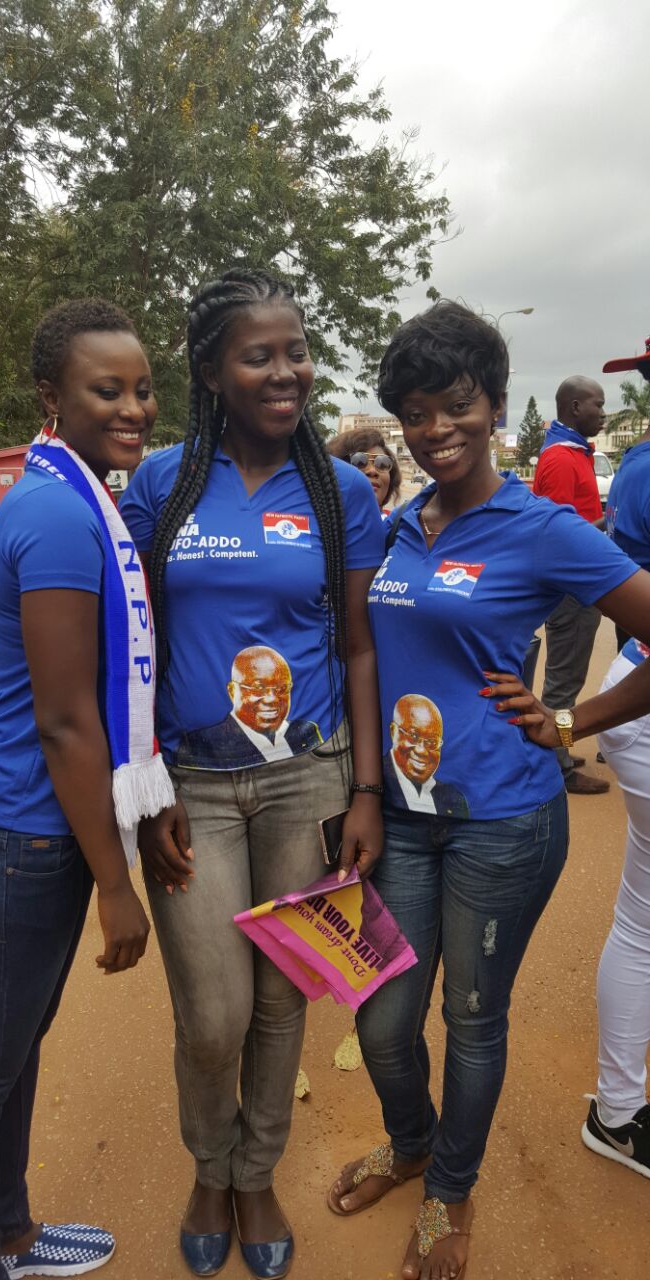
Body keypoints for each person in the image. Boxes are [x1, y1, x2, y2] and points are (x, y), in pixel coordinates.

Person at [326, 301, 650, 1280]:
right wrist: (365, 792)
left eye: (457, 404)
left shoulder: (544, 527)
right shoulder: (395, 529)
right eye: (416, 412)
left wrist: (572, 721)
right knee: (382, 1016)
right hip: (403, 818)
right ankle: (413, 1137)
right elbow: (360, 656)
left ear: (496, 405)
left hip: (503, 822)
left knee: (471, 1013)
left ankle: (448, 1190)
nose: (436, 430)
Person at [121, 268, 385, 1280]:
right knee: (214, 1011)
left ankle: (254, 1170)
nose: (287, 372)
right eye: (259, 355)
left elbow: (359, 645)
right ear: (212, 372)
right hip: (192, 783)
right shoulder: (164, 484)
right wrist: (146, 788)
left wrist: (363, 789)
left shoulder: (340, 489)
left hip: (306, 781)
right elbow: (133, 642)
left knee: (285, 998)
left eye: (297, 352)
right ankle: (209, 1163)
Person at [0, 299, 175, 1280]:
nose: (132, 407)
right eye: (104, 388)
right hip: (14, 832)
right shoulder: (59, 515)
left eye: (143, 387)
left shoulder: (77, 496)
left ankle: (14, 1233)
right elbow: (68, 719)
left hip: (24, 825)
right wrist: (117, 881)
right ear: (51, 394)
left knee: (13, 1043)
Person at [581, 336, 650, 1176]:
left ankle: (620, 1107)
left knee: (641, 919)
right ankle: (620, 1111)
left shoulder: (634, 464)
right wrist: (573, 722)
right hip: (636, 694)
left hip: (628, 684)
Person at [533, 377, 609, 793]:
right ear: (575, 406)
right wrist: (609, 524)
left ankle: (559, 751)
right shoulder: (561, 458)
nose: (603, 412)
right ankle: (557, 767)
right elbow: (559, 535)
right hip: (572, 588)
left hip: (582, 585)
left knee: (568, 679)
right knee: (563, 683)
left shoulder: (571, 451)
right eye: (598, 404)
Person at [176, 644, 321, 766]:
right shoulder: (200, 745)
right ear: (233, 692)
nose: (271, 699)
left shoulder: (304, 732)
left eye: (282, 689)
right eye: (258, 688)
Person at [382, 694, 469, 817]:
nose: (421, 750)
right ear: (393, 732)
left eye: (432, 742)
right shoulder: (375, 781)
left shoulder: (454, 799)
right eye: (413, 736)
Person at [326, 426, 402, 514]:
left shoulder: (398, 525)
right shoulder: (314, 524)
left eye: (382, 463)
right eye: (359, 462)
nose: (373, 471)